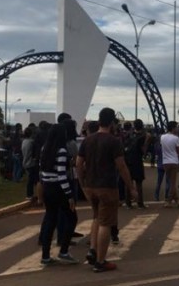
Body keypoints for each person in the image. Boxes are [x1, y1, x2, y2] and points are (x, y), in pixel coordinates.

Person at [75, 107, 137, 273]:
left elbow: (78, 164)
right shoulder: (113, 141)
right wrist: (131, 188)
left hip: (90, 186)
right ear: (111, 122)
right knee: (106, 223)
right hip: (107, 186)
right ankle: (100, 261)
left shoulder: (88, 140)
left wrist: (82, 183)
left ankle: (93, 250)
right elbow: (122, 166)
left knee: (96, 217)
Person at [38, 123, 79, 265]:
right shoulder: (61, 151)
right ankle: (64, 250)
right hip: (59, 188)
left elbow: (41, 171)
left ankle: (45, 255)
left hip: (47, 187)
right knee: (72, 218)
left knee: (50, 219)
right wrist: (69, 195)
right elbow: (62, 175)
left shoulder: (45, 149)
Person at [123, 119, 148, 209]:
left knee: (128, 182)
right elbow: (143, 150)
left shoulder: (129, 135)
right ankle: (140, 203)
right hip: (137, 161)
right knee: (139, 183)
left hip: (128, 161)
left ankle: (128, 203)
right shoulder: (142, 136)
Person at [160, 121, 179, 208]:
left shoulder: (162, 137)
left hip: (165, 161)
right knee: (173, 183)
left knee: (170, 181)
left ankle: (177, 200)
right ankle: (168, 201)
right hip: (174, 161)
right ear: (173, 128)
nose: (177, 128)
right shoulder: (176, 138)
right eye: (176, 127)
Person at [21, 126, 38, 204]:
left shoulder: (24, 141)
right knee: (32, 180)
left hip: (25, 162)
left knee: (31, 179)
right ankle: (29, 195)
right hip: (31, 163)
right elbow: (34, 153)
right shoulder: (32, 142)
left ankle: (31, 194)